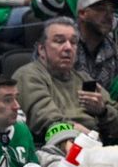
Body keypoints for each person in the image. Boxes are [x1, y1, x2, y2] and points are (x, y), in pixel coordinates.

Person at [14, 17, 118, 145]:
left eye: (73, 42)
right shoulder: (29, 75)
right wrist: (88, 138)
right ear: (41, 49)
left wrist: (102, 111)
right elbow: (48, 121)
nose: (68, 47)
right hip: (58, 149)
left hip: (96, 146)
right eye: (59, 41)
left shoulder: (84, 78)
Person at [75, 0, 118, 99]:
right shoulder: (61, 44)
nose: (109, 15)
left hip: (104, 113)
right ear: (82, 14)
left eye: (111, 10)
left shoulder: (114, 50)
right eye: (100, 8)